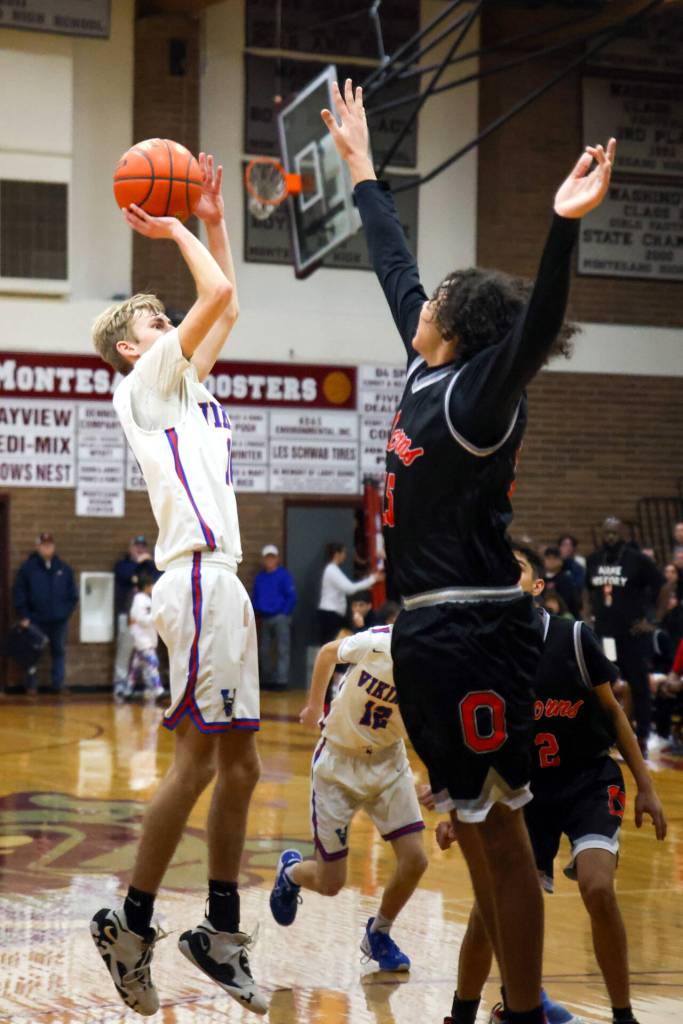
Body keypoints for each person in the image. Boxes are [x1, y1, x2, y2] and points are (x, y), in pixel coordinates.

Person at [321, 76, 615, 1022]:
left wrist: (563, 226)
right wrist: (363, 171)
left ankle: (520, 1011)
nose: (424, 295)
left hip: (480, 630)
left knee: (504, 836)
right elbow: (392, 263)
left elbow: (532, 332)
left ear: (459, 324)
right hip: (424, 635)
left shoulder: (479, 396)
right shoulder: (422, 366)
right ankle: (501, 1006)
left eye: (439, 296)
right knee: (479, 830)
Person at [89, 153, 267, 1017]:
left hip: (219, 583)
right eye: (158, 319)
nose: (173, 325)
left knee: (240, 767)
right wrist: (174, 229)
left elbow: (225, 296)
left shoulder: (186, 388)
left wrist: (212, 218)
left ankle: (218, 932)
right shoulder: (145, 383)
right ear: (132, 345)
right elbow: (215, 301)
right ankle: (131, 923)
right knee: (202, 762)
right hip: (196, 579)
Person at [435, 543, 667, 1024]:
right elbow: (472, 735)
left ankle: (624, 1015)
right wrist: (460, 807)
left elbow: (616, 715)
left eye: (517, 567)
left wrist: (646, 785)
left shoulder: (574, 638)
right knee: (488, 908)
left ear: (538, 587)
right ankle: (465, 1014)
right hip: (526, 793)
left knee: (598, 889)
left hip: (587, 781)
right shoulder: (484, 654)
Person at [269, 606, 427, 972]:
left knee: (416, 859)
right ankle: (290, 873)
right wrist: (314, 705)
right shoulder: (376, 643)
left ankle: (379, 933)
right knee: (330, 882)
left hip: (388, 763)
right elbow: (327, 653)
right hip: (339, 763)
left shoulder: (435, 670)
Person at [586, 517, 667, 754]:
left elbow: (663, 586)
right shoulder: (594, 559)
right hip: (604, 634)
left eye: (614, 533)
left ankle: (642, 736)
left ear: (622, 534)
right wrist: (587, 612)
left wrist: (654, 620)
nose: (610, 537)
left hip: (631, 634)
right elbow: (587, 590)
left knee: (638, 683)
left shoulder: (638, 559)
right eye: (606, 533)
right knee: (605, 684)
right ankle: (605, 735)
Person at [12, 532, 78, 694]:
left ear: (53, 547)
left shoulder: (64, 569)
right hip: (35, 619)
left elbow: (73, 595)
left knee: (59, 651)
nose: (47, 548)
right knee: (33, 652)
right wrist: (25, 615)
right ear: (38, 547)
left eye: (50, 545)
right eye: (44, 545)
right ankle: (31, 684)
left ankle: (58, 683)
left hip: (58, 620)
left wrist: (65, 613)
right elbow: (19, 594)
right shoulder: (28, 569)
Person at [113, 536, 159, 695]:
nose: (140, 550)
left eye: (143, 547)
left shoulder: (150, 567)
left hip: (146, 617)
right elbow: (126, 576)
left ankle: (150, 684)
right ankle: (120, 682)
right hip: (128, 616)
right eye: (136, 546)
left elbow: (158, 580)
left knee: (146, 651)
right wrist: (139, 563)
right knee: (125, 650)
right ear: (130, 548)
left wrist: (149, 563)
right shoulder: (123, 565)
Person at [251, 544, 296, 691]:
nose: (269, 560)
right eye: (267, 557)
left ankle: (281, 681)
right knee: (264, 650)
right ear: (264, 559)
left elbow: (291, 595)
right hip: (264, 617)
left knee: (283, 649)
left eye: (272, 557)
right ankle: (268, 679)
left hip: (280, 617)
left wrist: (284, 612)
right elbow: (256, 597)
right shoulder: (260, 577)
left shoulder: (283, 575)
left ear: (277, 559)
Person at [317, 541, 380, 644]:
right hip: (330, 615)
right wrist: (372, 579)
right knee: (331, 644)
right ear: (337, 554)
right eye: (344, 553)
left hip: (332, 614)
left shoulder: (332, 569)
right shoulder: (331, 570)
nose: (345, 556)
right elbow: (350, 588)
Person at [118, 573, 164, 703]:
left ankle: (127, 690)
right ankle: (158, 690)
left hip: (144, 639)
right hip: (143, 640)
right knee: (153, 663)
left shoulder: (145, 599)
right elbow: (142, 619)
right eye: (151, 584)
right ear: (146, 586)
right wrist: (157, 616)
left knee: (135, 668)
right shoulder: (140, 600)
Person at [542, 546, 580, 618]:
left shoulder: (566, 579)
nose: (551, 561)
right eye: (548, 558)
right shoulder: (540, 578)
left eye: (555, 558)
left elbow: (574, 603)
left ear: (560, 561)